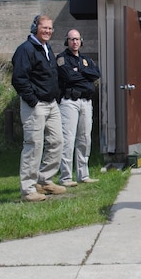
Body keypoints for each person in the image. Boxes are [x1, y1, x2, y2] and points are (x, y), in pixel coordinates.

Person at [11, 15, 66, 202]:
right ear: (35, 28)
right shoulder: (25, 50)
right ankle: (28, 189)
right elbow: (19, 79)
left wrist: (55, 97)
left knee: (57, 141)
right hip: (35, 106)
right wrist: (33, 101)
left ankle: (44, 181)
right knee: (33, 146)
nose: (48, 31)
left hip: (51, 105)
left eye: (50, 28)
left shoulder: (47, 48)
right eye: (44, 28)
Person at [56, 29, 101, 187]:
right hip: (70, 102)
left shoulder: (86, 59)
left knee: (84, 139)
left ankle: (83, 174)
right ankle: (66, 177)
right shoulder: (62, 59)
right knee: (68, 139)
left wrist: (80, 71)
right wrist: (85, 75)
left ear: (81, 41)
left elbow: (96, 74)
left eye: (77, 39)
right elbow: (68, 77)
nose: (74, 42)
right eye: (71, 39)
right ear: (66, 41)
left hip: (86, 102)